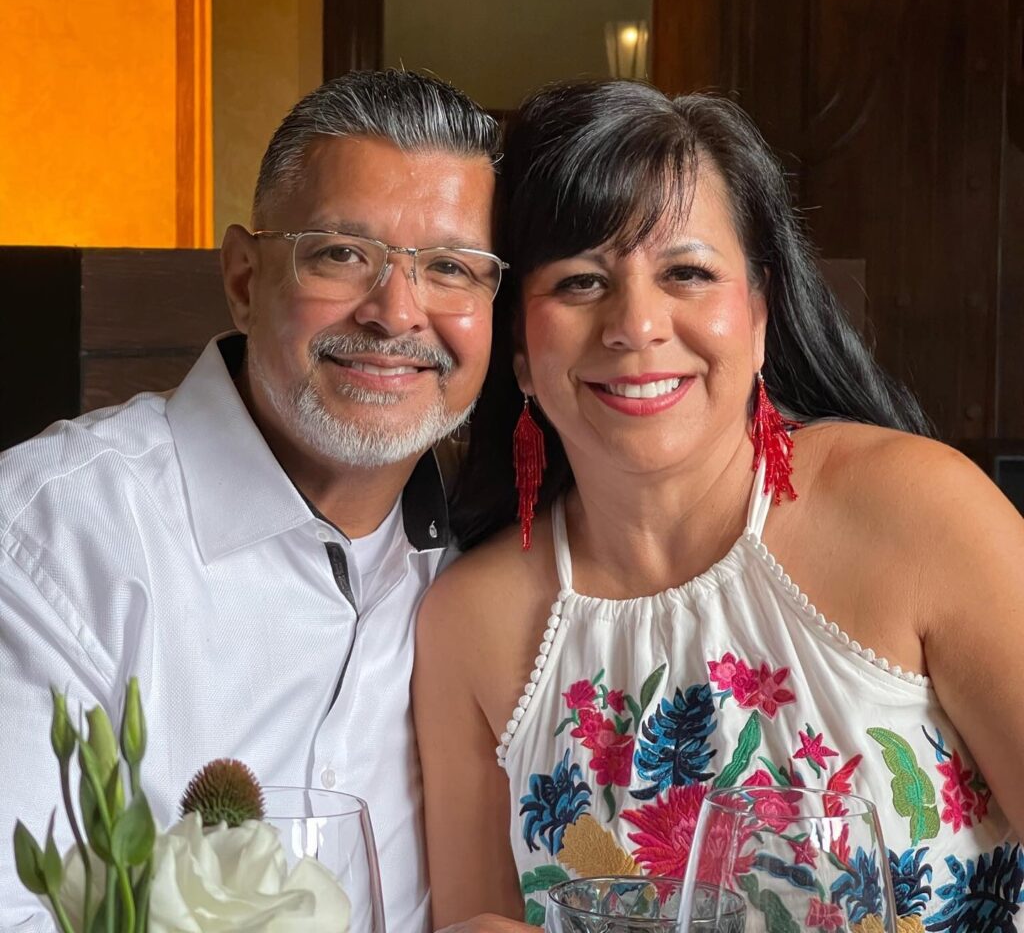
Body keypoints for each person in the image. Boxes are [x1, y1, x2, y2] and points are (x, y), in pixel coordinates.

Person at [415, 80, 1024, 933]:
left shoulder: (921, 511)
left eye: (688, 273)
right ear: (519, 347)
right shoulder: (466, 626)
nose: (637, 324)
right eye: (581, 282)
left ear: (760, 315)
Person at [0, 69, 502, 931]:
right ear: (243, 278)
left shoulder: (486, 564)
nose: (395, 312)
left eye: (451, 267)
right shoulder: (50, 535)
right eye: (342, 254)